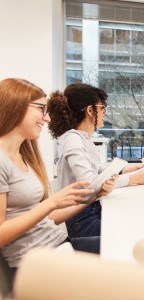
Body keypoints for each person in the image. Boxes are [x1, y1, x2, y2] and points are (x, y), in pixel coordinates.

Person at [0, 78, 110, 275]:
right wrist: (50, 203)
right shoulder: (2, 161)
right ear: (16, 105)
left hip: (58, 246)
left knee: (128, 242)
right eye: (41, 109)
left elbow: (48, 219)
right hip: (36, 264)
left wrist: (95, 194)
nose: (47, 118)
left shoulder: (25, 157)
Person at [47, 83, 144, 239]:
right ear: (90, 110)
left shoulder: (82, 138)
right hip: (82, 220)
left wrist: (122, 170)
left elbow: (93, 169)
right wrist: (132, 179)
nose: (104, 113)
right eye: (102, 107)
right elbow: (90, 182)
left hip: (89, 212)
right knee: (135, 230)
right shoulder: (72, 138)